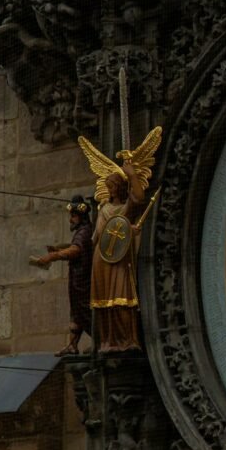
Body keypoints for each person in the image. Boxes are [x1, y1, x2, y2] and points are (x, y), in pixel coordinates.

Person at [78, 126, 163, 353]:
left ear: (120, 187)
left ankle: (127, 339)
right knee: (104, 303)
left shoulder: (125, 207)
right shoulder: (104, 207)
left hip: (119, 256)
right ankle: (106, 341)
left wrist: (133, 174)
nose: (111, 190)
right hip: (102, 257)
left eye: (113, 186)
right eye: (109, 187)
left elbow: (139, 197)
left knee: (123, 297)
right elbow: (96, 237)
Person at [29, 195, 93, 356]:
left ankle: (98, 340)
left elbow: (76, 250)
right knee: (76, 312)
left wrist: (53, 256)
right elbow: (73, 247)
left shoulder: (85, 231)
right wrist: (57, 250)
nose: (71, 220)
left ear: (81, 217)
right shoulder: (81, 231)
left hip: (84, 281)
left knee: (85, 311)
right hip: (77, 279)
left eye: (73, 216)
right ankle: (72, 345)